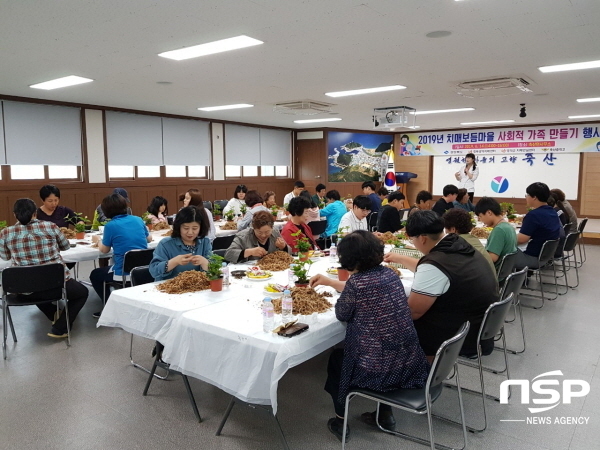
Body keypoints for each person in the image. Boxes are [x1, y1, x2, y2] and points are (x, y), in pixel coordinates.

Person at [319, 230, 429, 442]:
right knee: (385, 347)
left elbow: (342, 313)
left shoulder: (357, 283)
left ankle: (340, 420)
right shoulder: (389, 274)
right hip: (410, 362)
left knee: (337, 360)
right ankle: (385, 414)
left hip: (380, 371)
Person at [383, 210, 498, 358]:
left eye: (412, 239)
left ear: (423, 239)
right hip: (479, 327)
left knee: (389, 324)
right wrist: (400, 258)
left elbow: (413, 313)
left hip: (458, 337)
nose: (414, 243)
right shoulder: (458, 244)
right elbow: (435, 269)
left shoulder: (434, 265)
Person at [0, 198, 88, 338]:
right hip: (56, 285)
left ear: (15, 214)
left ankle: (53, 312)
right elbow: (65, 246)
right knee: (82, 292)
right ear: (35, 213)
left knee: (34, 285)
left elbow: (4, 257)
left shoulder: (5, 233)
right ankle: (61, 327)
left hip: (24, 289)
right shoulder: (50, 227)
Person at [89, 194, 152, 317]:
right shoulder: (138, 219)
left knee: (95, 274)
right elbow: (149, 239)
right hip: (143, 270)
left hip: (124, 273)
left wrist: (98, 240)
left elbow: (104, 250)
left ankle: (109, 308)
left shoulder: (110, 226)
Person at [149, 206, 212, 281]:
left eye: (195, 228)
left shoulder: (205, 242)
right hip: (170, 288)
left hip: (197, 287)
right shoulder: (166, 244)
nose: (190, 232)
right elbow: (154, 271)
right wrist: (174, 261)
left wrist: (204, 262)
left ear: (201, 228)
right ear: (179, 227)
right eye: (186, 228)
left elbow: (215, 270)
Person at [514, 182, 562, 270]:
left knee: (500, 251)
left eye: (527, 195)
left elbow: (521, 239)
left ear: (534, 197)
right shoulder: (552, 211)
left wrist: (505, 238)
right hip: (545, 257)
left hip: (533, 258)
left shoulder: (534, 215)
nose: (526, 197)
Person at [442, 208, 496, 274]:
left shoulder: (456, 244)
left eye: (446, 229)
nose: (446, 232)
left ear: (453, 229)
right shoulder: (474, 240)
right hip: (492, 281)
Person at [475, 197, 518, 278]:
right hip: (505, 273)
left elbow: (492, 258)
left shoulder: (499, 230)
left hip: (493, 275)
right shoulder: (509, 227)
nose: (481, 220)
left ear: (489, 213)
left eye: (480, 216)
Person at [224, 211, 289, 263]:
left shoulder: (275, 232)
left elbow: (290, 252)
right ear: (253, 228)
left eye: (267, 232)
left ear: (272, 228)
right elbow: (228, 255)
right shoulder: (243, 237)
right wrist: (249, 252)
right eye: (259, 232)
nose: (263, 235)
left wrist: (284, 247)